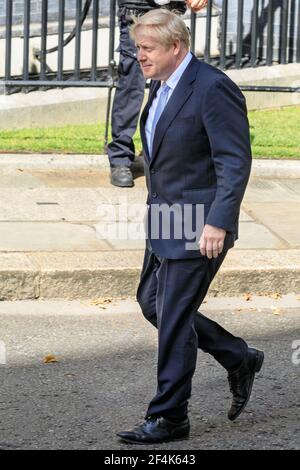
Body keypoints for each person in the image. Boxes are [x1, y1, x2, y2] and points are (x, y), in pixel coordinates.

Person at [117, 9, 264, 444]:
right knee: (152, 304)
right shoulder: (161, 85)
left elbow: (234, 161)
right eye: (138, 47)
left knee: (175, 319)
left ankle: (169, 417)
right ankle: (238, 355)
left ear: (175, 47)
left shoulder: (212, 87)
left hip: (199, 224)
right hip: (165, 218)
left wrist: (218, 221)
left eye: (146, 48)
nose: (138, 56)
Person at [108, 0, 208, 188]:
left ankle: (165, 156)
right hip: (139, 11)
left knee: (172, 84)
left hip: (170, 12)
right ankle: (120, 158)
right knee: (132, 86)